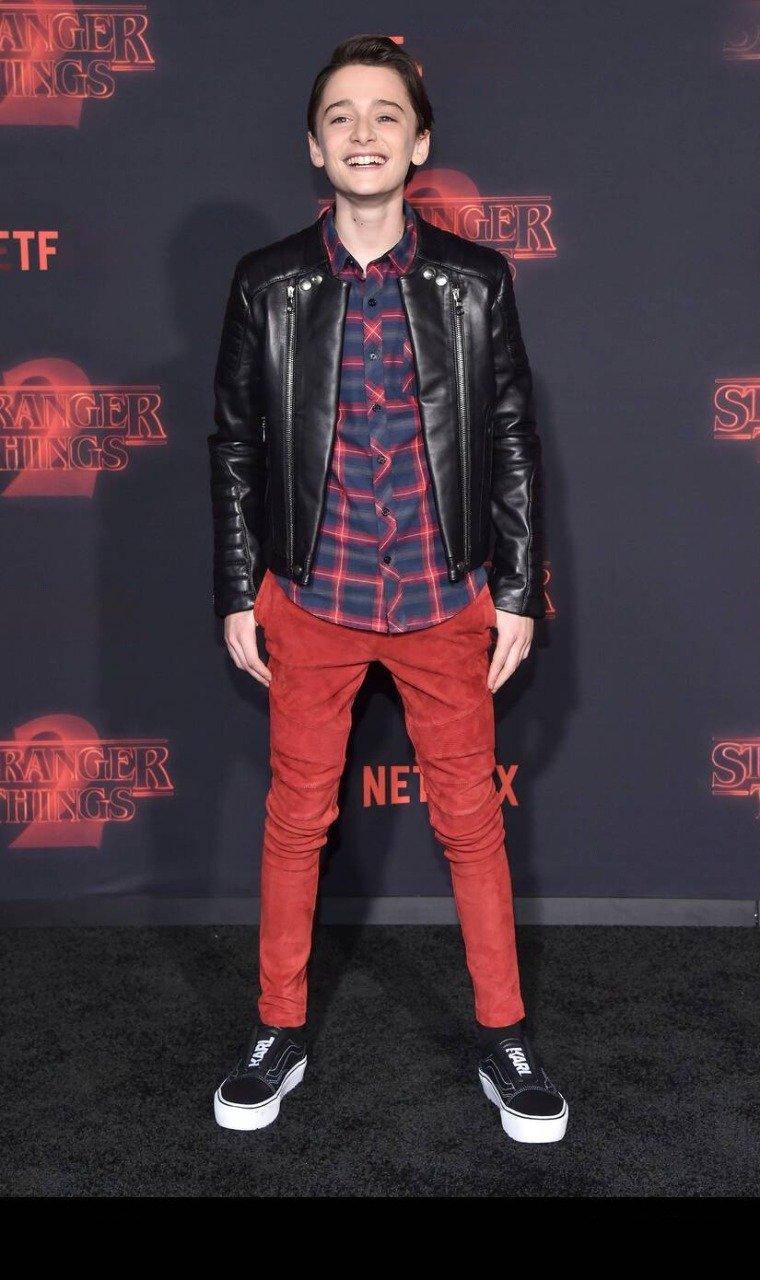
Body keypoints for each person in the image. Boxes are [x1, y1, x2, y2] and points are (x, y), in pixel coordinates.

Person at [207, 33, 568, 1144]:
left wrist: (516, 589)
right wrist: (239, 589)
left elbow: (510, 438)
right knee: (294, 821)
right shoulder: (267, 282)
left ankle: (505, 1038)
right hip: (310, 596)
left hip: (442, 597)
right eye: (341, 117)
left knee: (472, 823)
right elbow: (235, 445)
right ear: (314, 148)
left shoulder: (476, 280)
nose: (363, 133)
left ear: (420, 143)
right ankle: (277, 1030)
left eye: (384, 115)